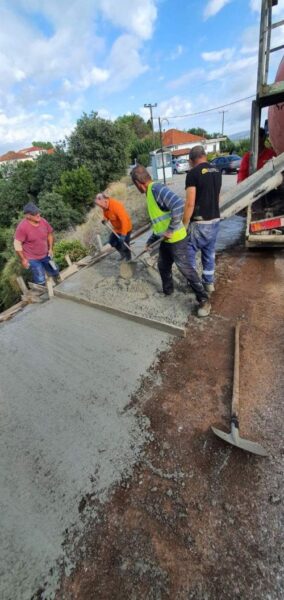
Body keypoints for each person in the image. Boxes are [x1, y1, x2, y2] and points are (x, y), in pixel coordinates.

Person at [130, 164, 210, 317]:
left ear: (138, 183)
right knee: (163, 265)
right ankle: (168, 291)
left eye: (135, 186)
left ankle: (204, 300)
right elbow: (160, 221)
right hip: (165, 241)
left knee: (185, 269)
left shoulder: (156, 189)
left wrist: (171, 229)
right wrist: (151, 240)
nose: (136, 188)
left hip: (176, 238)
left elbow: (178, 204)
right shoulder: (150, 193)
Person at [183, 145, 222, 295]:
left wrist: (184, 225)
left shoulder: (193, 174)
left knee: (189, 252)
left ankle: (193, 284)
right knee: (209, 252)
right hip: (215, 219)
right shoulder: (217, 171)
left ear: (192, 160)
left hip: (200, 222)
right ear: (204, 156)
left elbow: (190, 203)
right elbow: (217, 197)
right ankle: (208, 283)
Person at [14, 202, 59, 285]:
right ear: (28, 216)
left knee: (54, 270)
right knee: (40, 278)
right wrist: (23, 259)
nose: (38, 215)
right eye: (35, 214)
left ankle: (58, 284)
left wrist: (50, 249)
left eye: (38, 212)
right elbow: (17, 244)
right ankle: (45, 295)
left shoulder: (43, 221)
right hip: (32, 258)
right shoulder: (22, 227)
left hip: (45, 254)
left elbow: (49, 234)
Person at [95, 191, 132, 260]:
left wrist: (123, 234)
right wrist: (105, 219)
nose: (101, 207)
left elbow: (124, 221)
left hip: (126, 228)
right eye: (99, 206)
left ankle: (129, 259)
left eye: (100, 205)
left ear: (105, 201)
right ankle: (122, 254)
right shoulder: (105, 207)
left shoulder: (116, 206)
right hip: (117, 229)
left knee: (125, 245)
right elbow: (106, 215)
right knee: (112, 242)